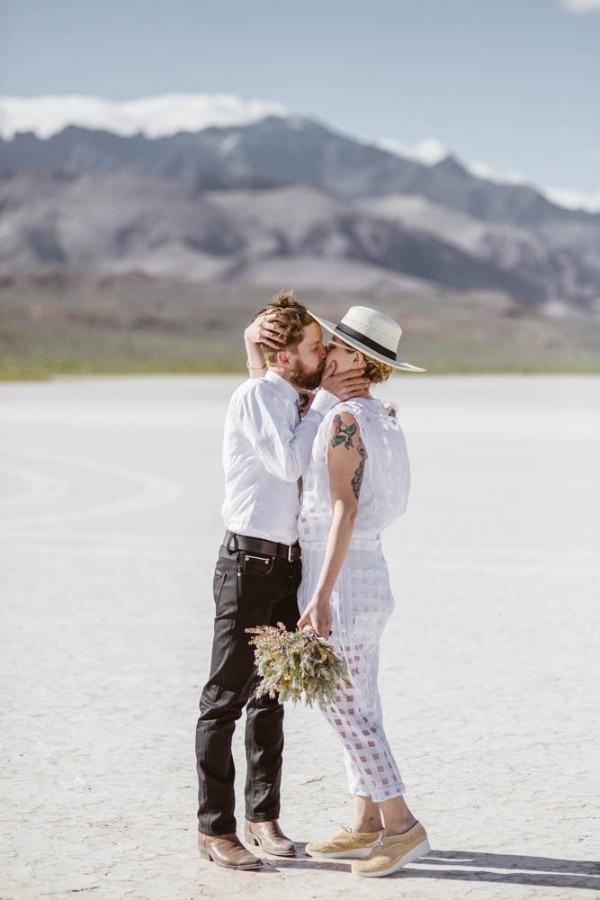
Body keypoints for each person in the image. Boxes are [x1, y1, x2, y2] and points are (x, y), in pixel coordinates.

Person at [195, 292, 370, 871]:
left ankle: (261, 818)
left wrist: (312, 391)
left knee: (271, 699)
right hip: (247, 564)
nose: (325, 355)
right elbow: (290, 464)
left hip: (287, 565)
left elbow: (268, 358)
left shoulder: (290, 393)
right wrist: (322, 398)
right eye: (317, 347)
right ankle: (214, 829)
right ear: (287, 358)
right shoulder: (255, 396)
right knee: (225, 699)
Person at [296, 306, 431, 878]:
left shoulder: (345, 420)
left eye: (335, 345)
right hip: (369, 572)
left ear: (358, 359)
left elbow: (343, 509)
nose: (325, 350)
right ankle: (364, 822)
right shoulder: (384, 414)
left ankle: (401, 826)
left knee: (343, 707)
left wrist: (321, 594)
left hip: (344, 581)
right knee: (362, 702)